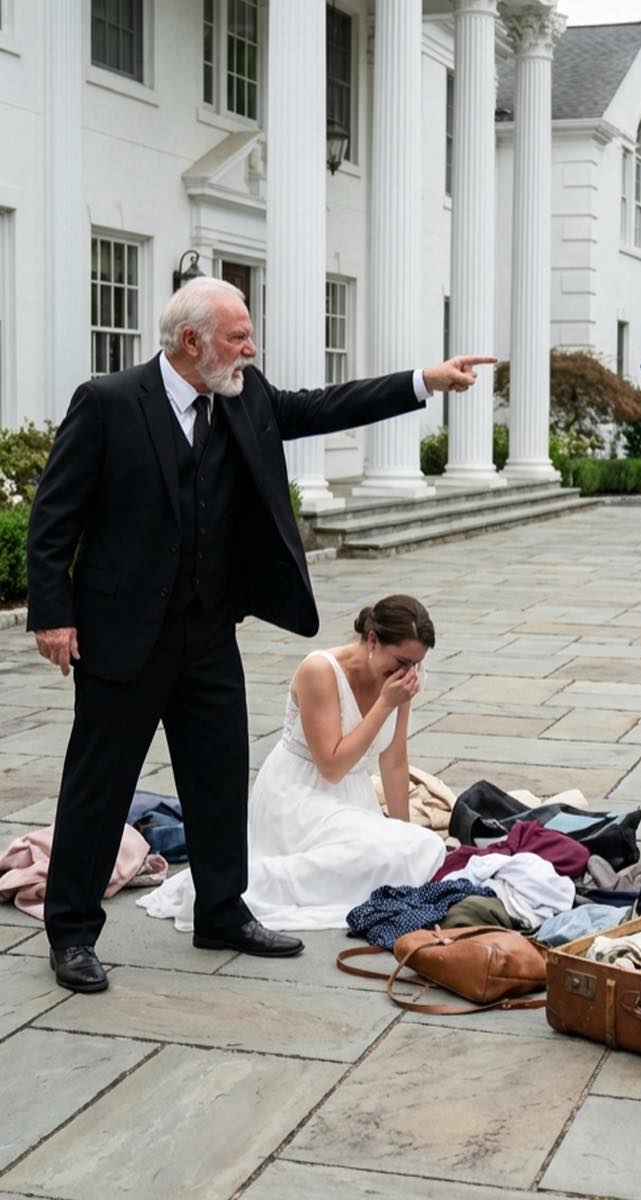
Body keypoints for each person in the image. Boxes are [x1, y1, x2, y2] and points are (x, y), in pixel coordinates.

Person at [26, 276, 493, 992]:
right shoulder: (108, 402)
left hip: (209, 631)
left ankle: (221, 910)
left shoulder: (244, 398)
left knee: (218, 778)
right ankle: (72, 934)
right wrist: (53, 613)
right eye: (238, 336)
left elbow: (324, 406)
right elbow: (54, 514)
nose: (251, 348)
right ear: (192, 342)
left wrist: (422, 381)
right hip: (124, 634)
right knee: (100, 785)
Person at [139, 596, 446, 930]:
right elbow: (332, 766)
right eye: (402, 662)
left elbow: (394, 759)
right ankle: (245, 887)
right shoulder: (321, 671)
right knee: (395, 852)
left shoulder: (403, 679)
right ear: (372, 640)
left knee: (421, 848)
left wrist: (401, 832)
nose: (409, 673)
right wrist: (385, 704)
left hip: (352, 798)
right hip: (296, 797)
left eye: (416, 664)